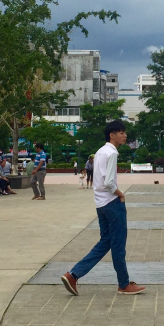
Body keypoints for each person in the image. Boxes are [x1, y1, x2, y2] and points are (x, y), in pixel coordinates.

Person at [61, 120, 145, 296]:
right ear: (111, 135)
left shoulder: (100, 152)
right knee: (118, 245)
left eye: (124, 132)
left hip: (100, 204)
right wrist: (120, 194)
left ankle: (73, 275)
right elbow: (108, 182)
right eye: (121, 132)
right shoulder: (112, 153)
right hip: (112, 203)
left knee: (105, 242)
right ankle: (124, 284)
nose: (125, 135)